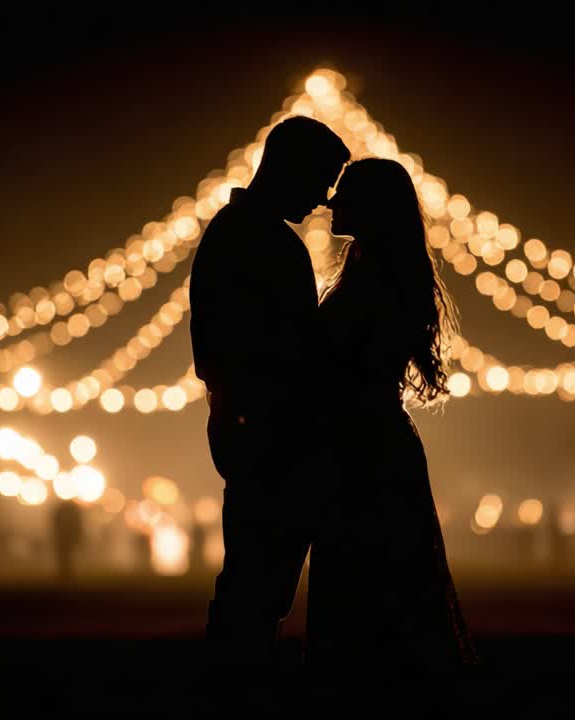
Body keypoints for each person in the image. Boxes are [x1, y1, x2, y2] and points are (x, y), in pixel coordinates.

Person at [188, 115, 350, 701]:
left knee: (255, 577)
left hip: (253, 431)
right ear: (289, 169)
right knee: (260, 578)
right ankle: (235, 687)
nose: (323, 200)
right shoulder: (261, 243)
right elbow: (283, 349)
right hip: (273, 436)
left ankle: (235, 681)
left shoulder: (234, 234)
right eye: (321, 180)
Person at [306, 158, 478, 702]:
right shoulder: (373, 265)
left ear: (373, 207)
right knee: (382, 582)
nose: (331, 202)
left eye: (345, 193)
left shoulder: (376, 276)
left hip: (367, 452)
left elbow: (345, 365)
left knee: (371, 583)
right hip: (373, 443)